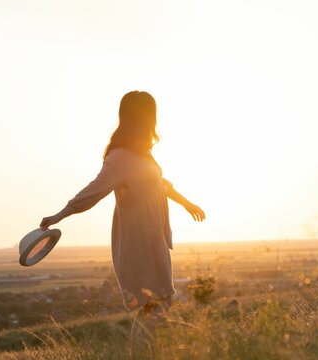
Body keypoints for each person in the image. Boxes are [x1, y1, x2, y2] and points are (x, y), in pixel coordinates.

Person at [39, 90, 205, 317]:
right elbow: (93, 191)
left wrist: (187, 204)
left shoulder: (144, 155)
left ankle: (145, 349)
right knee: (155, 302)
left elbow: (161, 185)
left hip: (153, 236)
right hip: (137, 240)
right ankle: (143, 350)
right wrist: (59, 215)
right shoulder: (120, 157)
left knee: (160, 301)